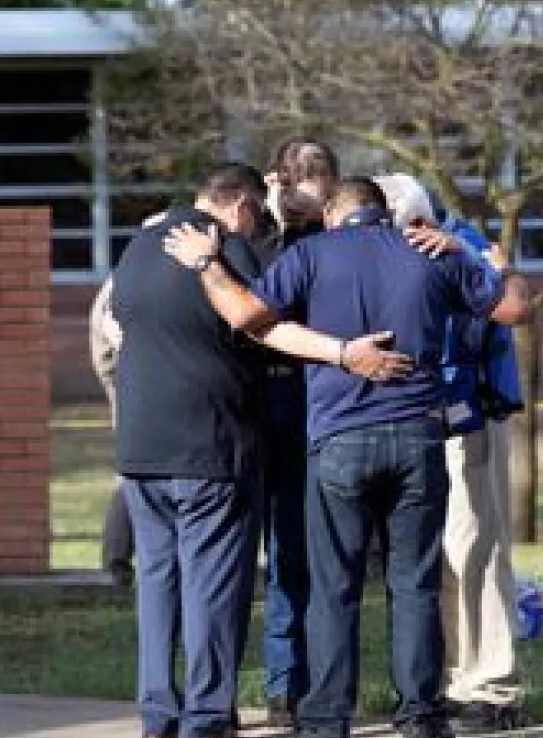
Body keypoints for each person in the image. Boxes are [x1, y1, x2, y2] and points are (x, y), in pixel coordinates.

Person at [162, 178, 532, 738]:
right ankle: (420, 715)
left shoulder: (311, 253)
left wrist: (207, 264)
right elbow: (514, 309)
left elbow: (243, 315)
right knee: (415, 584)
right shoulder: (431, 251)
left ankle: (327, 717)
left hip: (338, 443)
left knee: (334, 585)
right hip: (419, 437)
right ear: (383, 215)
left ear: (334, 215)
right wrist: (492, 260)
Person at [111, 164, 409, 738]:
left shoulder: (136, 249)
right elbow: (262, 325)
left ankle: (157, 712)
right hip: (211, 446)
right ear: (243, 207)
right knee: (212, 585)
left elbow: (130, 327)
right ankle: (206, 714)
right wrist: (344, 353)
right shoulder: (225, 250)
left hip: (141, 447)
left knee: (157, 583)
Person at [373, 174, 530, 733]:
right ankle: (435, 685)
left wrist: (473, 258)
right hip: (408, 422)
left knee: (475, 551)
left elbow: (509, 306)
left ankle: (491, 688)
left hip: (467, 418)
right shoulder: (387, 242)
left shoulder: (456, 240)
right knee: (428, 559)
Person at [256, 137, 338, 727]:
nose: (305, 185)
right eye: (295, 174)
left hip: (316, 398)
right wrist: (271, 220)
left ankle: (294, 683)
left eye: (317, 175)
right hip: (256, 399)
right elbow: (247, 303)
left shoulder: (342, 237)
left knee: (299, 547)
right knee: (239, 552)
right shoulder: (252, 236)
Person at [90, 211, 169, 588]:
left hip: (133, 381)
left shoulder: (131, 272)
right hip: (134, 384)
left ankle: (119, 559)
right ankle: (116, 559)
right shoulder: (130, 278)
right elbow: (117, 339)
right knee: (133, 472)